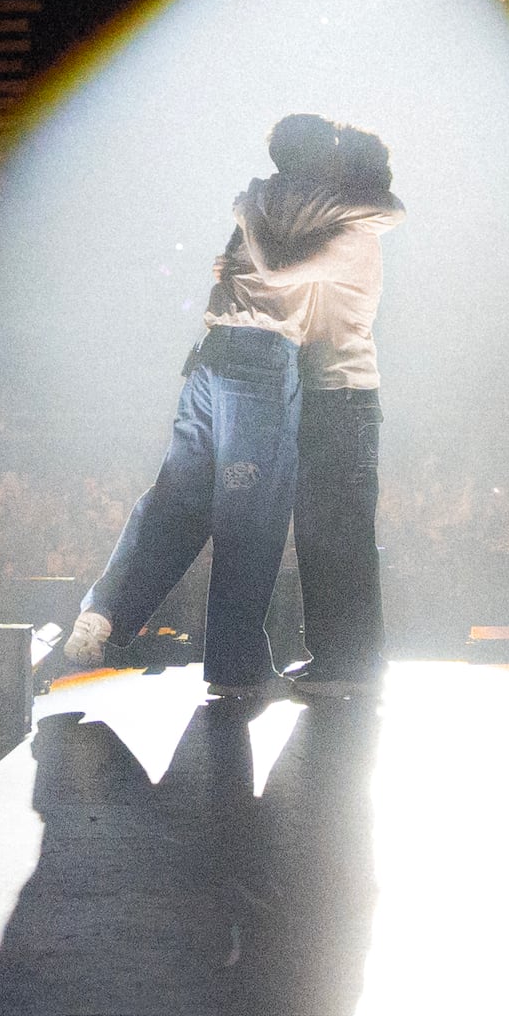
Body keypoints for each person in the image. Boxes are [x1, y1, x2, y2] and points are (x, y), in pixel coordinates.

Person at [59, 116, 397, 695]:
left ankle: (109, 612)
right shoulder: (320, 212)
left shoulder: (292, 209)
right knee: (252, 520)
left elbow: (273, 267)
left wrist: (241, 223)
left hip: (239, 363)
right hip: (264, 369)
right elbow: (280, 272)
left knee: (180, 501)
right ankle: (239, 666)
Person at [285, 122, 401, 694]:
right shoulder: (352, 225)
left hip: (344, 396)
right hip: (330, 396)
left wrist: (250, 212)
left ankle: (353, 662)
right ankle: (335, 656)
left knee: (344, 536)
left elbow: (280, 269)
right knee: (319, 532)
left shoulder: (353, 234)